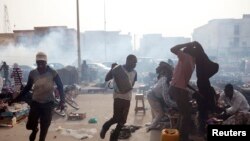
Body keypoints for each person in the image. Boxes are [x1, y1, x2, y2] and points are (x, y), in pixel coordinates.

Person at [18, 52, 65, 141]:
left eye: (42, 62)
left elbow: (60, 86)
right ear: (36, 62)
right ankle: (35, 130)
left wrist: (62, 100)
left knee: (44, 127)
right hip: (36, 102)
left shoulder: (53, 72)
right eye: (38, 62)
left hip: (48, 103)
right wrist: (17, 98)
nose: (40, 65)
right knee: (29, 126)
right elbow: (28, 87)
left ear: (46, 62)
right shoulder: (33, 73)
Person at [100, 54, 137, 141]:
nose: (135, 64)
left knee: (122, 121)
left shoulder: (135, 73)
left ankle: (113, 138)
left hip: (128, 98)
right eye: (133, 62)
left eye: (136, 63)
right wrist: (111, 69)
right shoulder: (118, 69)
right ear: (127, 61)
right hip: (118, 97)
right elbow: (106, 79)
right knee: (116, 118)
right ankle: (105, 127)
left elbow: (131, 85)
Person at [167, 41, 196, 141]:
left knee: (185, 113)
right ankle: (183, 137)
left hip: (177, 88)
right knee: (187, 114)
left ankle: (182, 134)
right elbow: (173, 49)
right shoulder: (186, 57)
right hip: (177, 88)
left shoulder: (192, 61)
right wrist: (188, 43)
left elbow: (183, 79)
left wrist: (193, 90)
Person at [146, 61, 176, 132]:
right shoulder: (165, 82)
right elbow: (167, 100)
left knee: (156, 111)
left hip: (152, 95)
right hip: (153, 97)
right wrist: (177, 105)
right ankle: (151, 127)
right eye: (172, 73)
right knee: (160, 113)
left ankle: (154, 123)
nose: (172, 75)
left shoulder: (163, 78)